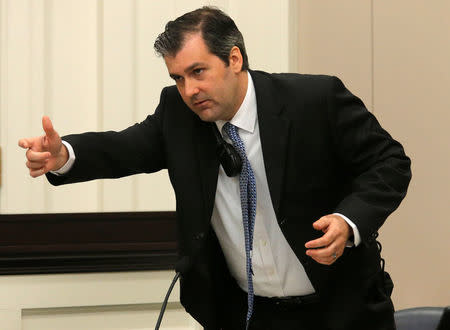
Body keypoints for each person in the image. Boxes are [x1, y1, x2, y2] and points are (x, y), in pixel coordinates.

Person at [19, 6, 411, 330]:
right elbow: (126, 147)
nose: (189, 90)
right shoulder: (179, 114)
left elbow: (389, 162)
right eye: (178, 78)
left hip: (340, 311)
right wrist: (66, 154)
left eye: (198, 72)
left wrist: (349, 220)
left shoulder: (314, 100)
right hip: (248, 316)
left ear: (234, 58)